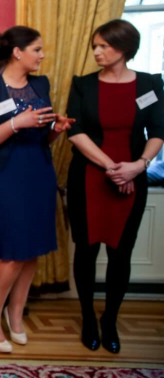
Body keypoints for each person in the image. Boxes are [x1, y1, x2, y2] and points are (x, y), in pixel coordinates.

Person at [0, 26, 72, 354]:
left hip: (37, 171)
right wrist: (17, 123)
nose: (42, 56)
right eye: (37, 49)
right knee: (11, 253)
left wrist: (55, 130)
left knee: (31, 251)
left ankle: (16, 316)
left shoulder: (40, 84)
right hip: (3, 175)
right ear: (18, 51)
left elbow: (42, 136)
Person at [66, 19, 164, 354]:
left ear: (123, 48)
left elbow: (159, 132)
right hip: (90, 178)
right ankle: (88, 319)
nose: (96, 51)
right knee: (86, 251)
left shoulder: (150, 84)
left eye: (103, 46)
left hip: (132, 180)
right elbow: (75, 132)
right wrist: (113, 168)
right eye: (95, 45)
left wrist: (137, 167)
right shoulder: (83, 85)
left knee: (121, 254)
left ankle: (110, 320)